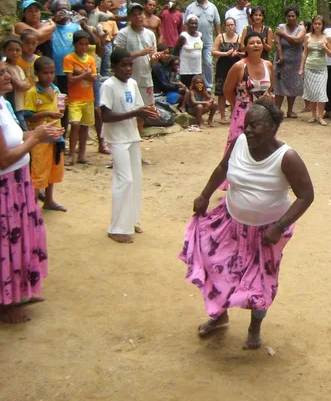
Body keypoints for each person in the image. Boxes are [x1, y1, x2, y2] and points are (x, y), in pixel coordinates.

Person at [180, 96, 314, 350]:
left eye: (255, 126)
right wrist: (205, 194)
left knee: (260, 281)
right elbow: (223, 167)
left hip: (267, 232)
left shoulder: (287, 157)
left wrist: (280, 226)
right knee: (217, 267)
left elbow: (306, 196)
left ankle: (255, 327)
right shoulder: (239, 142)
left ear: (272, 128)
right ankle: (218, 314)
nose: (248, 131)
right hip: (231, 222)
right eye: (245, 125)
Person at [0, 60, 63, 324]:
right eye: (2, 73)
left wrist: (40, 133)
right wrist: (36, 137)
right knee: (7, 244)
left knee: (23, 237)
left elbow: (19, 136)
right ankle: (5, 303)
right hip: (5, 187)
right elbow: (3, 159)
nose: (8, 76)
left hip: (19, 181)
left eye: (5, 71)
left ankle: (21, 289)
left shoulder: (4, 104)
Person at [100, 50, 158, 243]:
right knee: (124, 180)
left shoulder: (132, 84)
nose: (127, 69)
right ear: (114, 67)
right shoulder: (108, 85)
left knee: (136, 179)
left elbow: (139, 110)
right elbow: (105, 116)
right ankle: (116, 227)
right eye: (123, 65)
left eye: (130, 65)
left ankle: (131, 220)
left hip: (132, 135)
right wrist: (134, 114)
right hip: (117, 138)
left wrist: (149, 113)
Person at [23, 56, 66, 212]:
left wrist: (60, 111)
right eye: (45, 73)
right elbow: (28, 116)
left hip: (55, 136)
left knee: (53, 170)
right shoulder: (32, 92)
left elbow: (59, 111)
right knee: (38, 171)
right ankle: (32, 205)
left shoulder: (56, 90)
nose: (49, 76)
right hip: (40, 139)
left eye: (52, 72)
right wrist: (46, 113)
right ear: (37, 74)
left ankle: (49, 200)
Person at [222, 32, 275, 157]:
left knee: (264, 149)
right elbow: (227, 90)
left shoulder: (268, 65)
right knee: (239, 149)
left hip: (264, 114)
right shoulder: (239, 67)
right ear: (245, 47)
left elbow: (270, 86)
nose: (255, 45)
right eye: (251, 43)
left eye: (258, 42)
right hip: (243, 114)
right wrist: (238, 106)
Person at [115, 3, 158, 140]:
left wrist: (156, 58)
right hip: (127, 80)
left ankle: (137, 140)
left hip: (145, 78)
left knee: (143, 112)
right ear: (130, 17)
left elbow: (152, 60)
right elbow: (117, 57)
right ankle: (125, 141)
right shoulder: (123, 34)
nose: (138, 17)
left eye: (140, 14)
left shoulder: (150, 34)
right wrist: (140, 53)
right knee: (127, 111)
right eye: (134, 14)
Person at [63, 31, 97, 166]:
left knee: (85, 126)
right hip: (75, 98)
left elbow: (94, 78)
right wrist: (86, 74)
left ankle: (82, 154)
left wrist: (80, 73)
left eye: (86, 44)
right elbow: (70, 79)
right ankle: (72, 154)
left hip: (88, 97)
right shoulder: (69, 59)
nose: (83, 47)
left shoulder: (90, 59)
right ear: (75, 44)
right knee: (75, 124)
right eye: (80, 44)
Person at [184, 0, 221, 91]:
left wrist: (219, 37)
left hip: (208, 41)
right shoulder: (190, 8)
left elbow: (217, 23)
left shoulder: (212, 7)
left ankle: (208, 85)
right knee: (194, 63)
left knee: (208, 63)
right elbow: (185, 24)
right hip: (193, 41)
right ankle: (194, 85)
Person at [300, 15, 331, 126]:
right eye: (315, 23)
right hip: (309, 67)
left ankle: (321, 116)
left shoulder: (327, 37)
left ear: (323, 25)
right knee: (312, 92)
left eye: (319, 24)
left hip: (321, 68)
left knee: (321, 92)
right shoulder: (307, 36)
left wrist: (325, 47)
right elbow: (305, 53)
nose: (317, 26)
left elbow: (330, 54)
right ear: (312, 24)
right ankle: (313, 115)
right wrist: (301, 68)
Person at [274, 6, 306, 118]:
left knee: (293, 85)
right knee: (279, 85)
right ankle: (277, 110)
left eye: (293, 16)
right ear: (286, 17)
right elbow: (277, 42)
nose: (291, 18)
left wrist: (284, 34)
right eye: (288, 16)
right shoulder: (280, 27)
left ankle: (290, 110)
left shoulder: (301, 28)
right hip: (281, 60)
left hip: (295, 61)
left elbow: (298, 40)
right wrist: (281, 56)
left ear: (297, 17)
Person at [212, 17, 243, 123]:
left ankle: (233, 114)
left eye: (232, 25)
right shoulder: (220, 37)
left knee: (236, 91)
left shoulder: (240, 37)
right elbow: (213, 51)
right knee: (222, 92)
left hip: (236, 67)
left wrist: (238, 53)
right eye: (228, 25)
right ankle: (222, 116)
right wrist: (225, 54)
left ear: (235, 26)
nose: (230, 27)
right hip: (223, 67)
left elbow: (245, 52)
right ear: (225, 26)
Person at [3, 38, 32, 128]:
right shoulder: (5, 67)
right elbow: (20, 85)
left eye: (17, 50)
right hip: (12, 105)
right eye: (10, 50)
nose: (14, 53)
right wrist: (22, 84)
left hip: (21, 105)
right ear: (4, 51)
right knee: (22, 129)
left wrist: (23, 84)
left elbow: (27, 85)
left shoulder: (18, 68)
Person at [175, 15, 204, 88]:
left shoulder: (200, 35)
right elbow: (176, 51)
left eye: (195, 23)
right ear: (187, 24)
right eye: (192, 23)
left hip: (197, 69)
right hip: (185, 70)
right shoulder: (183, 36)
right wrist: (176, 67)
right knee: (186, 89)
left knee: (197, 89)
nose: (194, 25)